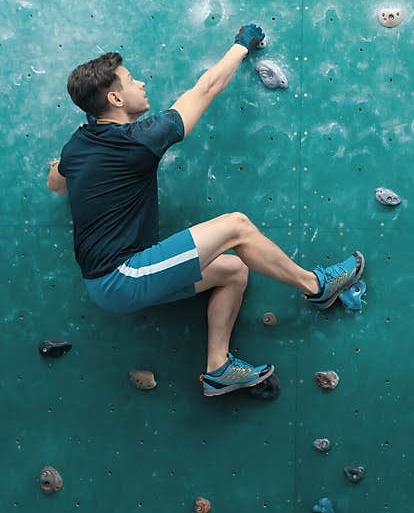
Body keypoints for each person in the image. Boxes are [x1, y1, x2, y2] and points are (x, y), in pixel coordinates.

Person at [46, 24, 364, 397]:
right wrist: (241, 45)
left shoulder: (80, 143)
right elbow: (206, 88)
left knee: (233, 270)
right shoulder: (139, 141)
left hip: (107, 282)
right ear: (115, 100)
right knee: (237, 226)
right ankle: (318, 287)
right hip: (123, 275)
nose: (141, 84)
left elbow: (56, 182)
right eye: (131, 81)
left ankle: (218, 368)